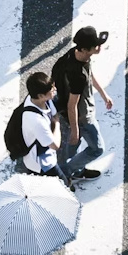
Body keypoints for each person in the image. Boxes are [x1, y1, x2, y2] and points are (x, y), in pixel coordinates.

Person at [52, 26, 113, 182]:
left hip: (67, 112)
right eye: (96, 45)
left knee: (72, 147)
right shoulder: (77, 76)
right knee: (97, 149)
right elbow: (73, 105)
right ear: (86, 49)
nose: (99, 47)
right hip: (82, 117)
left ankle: (75, 169)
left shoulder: (73, 54)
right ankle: (67, 171)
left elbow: (89, 74)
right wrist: (75, 129)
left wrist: (103, 94)